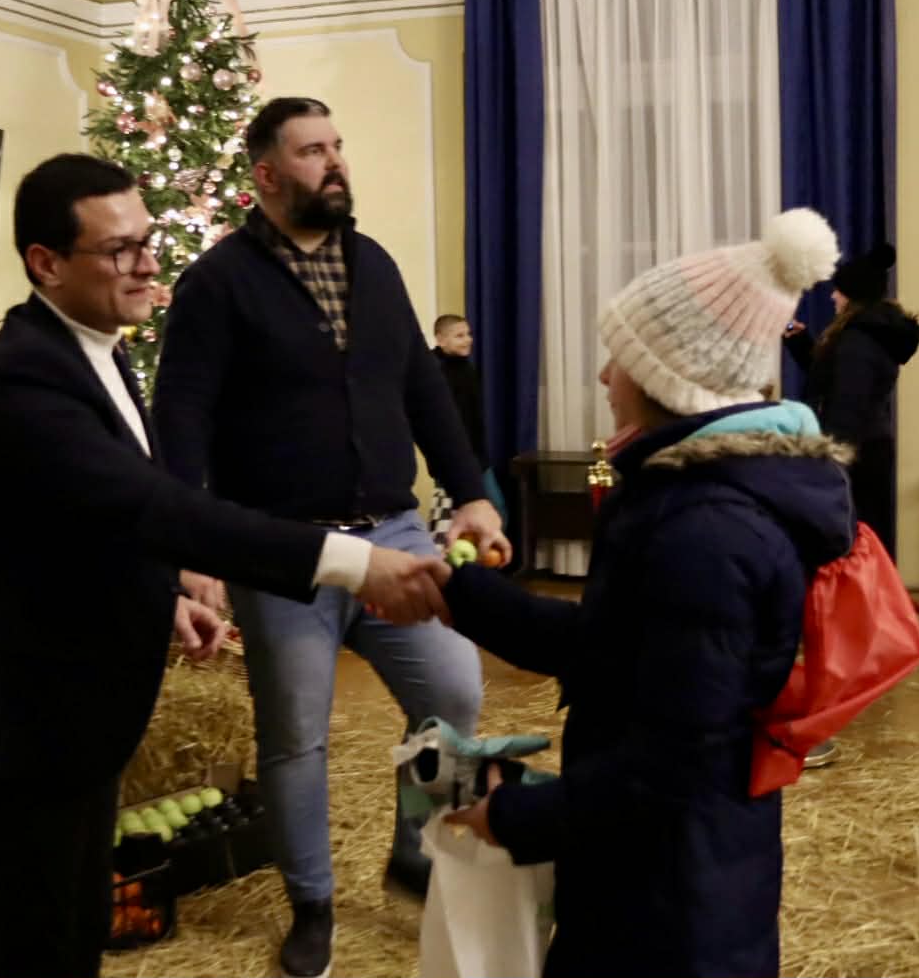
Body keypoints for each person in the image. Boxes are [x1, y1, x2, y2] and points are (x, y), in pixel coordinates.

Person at [0, 153, 451, 978]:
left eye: (148, 241)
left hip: (80, 714)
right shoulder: (20, 383)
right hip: (24, 722)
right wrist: (354, 563)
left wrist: (162, 598)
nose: (146, 264)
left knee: (77, 930)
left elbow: (83, 522)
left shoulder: (95, 346)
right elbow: (156, 508)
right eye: (119, 249)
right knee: (34, 947)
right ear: (46, 263)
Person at [431, 209, 856, 978]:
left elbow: (672, 769)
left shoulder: (706, 529)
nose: (604, 377)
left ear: (668, 376)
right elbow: (614, 648)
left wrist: (518, 816)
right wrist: (461, 596)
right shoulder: (686, 495)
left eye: (619, 358)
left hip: (673, 908)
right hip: (659, 877)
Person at [151, 97, 510, 978]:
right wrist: (191, 548)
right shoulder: (217, 283)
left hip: (394, 532)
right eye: (314, 150)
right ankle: (311, 903)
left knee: (454, 690)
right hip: (281, 554)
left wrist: (472, 493)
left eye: (338, 145)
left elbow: (423, 390)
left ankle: (416, 852)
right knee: (296, 737)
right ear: (267, 175)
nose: (336, 161)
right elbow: (182, 420)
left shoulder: (373, 264)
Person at [783, 242, 919, 556]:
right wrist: (798, 339)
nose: (833, 297)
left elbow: (847, 403)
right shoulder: (870, 335)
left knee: (855, 538)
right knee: (870, 535)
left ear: (853, 296)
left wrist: (828, 457)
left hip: (855, 456)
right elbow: (833, 378)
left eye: (839, 291)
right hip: (870, 448)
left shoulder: (857, 341)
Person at [426, 314, 507, 543]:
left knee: (496, 509)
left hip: (476, 456)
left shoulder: (466, 368)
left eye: (468, 334)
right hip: (452, 459)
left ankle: (479, 556)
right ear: (441, 340)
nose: (468, 340)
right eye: (459, 336)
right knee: (458, 515)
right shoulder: (434, 371)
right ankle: (461, 560)